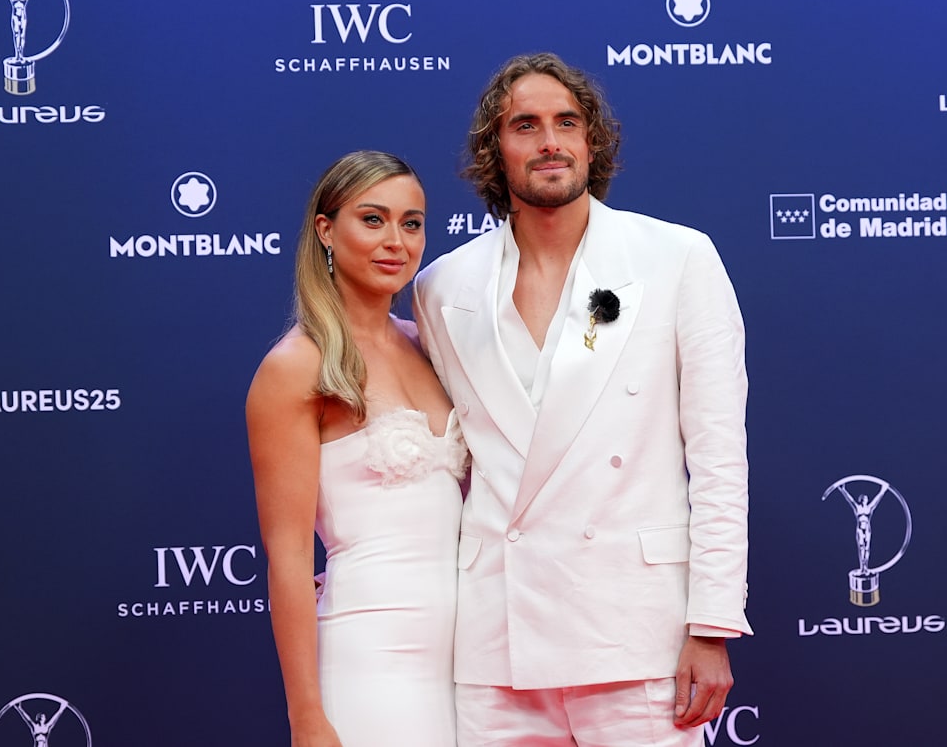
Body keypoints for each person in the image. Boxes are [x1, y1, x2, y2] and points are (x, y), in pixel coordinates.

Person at [413, 53, 751, 746]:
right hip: (495, 641)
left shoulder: (677, 258)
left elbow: (719, 457)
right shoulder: (443, 286)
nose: (549, 142)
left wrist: (711, 624)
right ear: (494, 149)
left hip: (634, 632)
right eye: (525, 125)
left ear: (591, 142)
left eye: (567, 122)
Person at [248, 150, 466, 747]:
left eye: (412, 222)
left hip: (472, 668)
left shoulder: (431, 346)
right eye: (373, 219)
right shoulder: (296, 367)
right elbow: (289, 557)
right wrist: (307, 718)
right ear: (326, 229)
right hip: (372, 661)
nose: (396, 240)